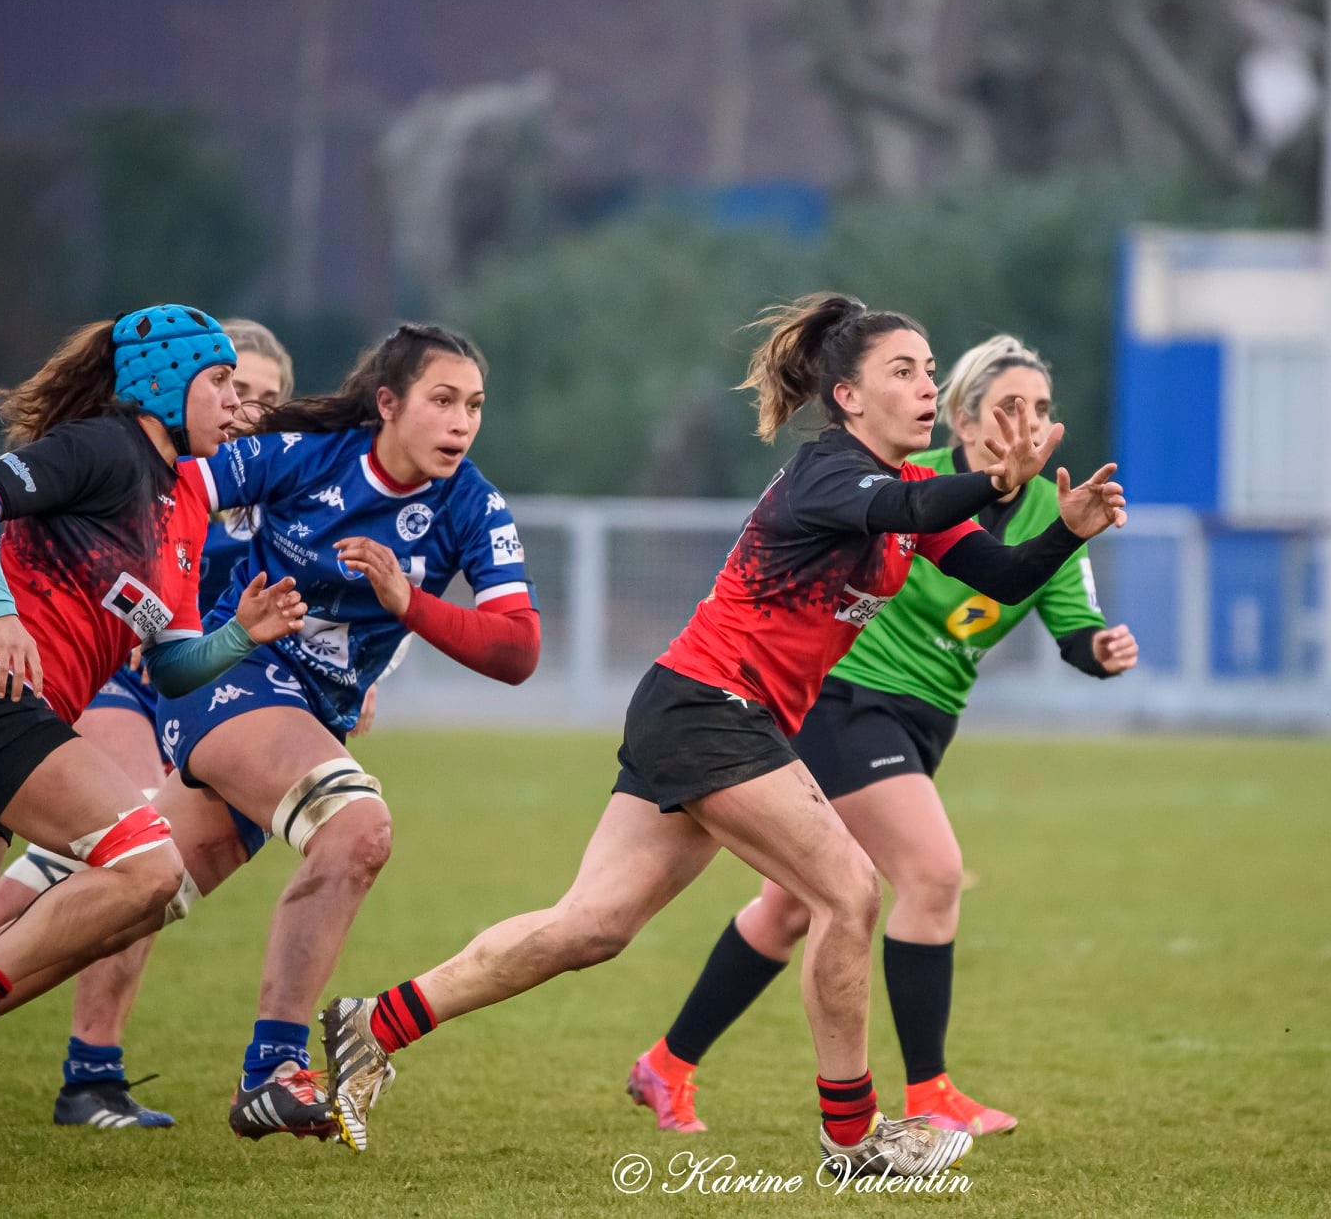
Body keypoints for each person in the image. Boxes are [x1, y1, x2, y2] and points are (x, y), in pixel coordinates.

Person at [320, 293, 1127, 1180]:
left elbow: (1002, 575)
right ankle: (853, 1141)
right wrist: (1000, 480)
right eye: (904, 370)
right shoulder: (830, 475)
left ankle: (375, 1023)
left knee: (592, 927)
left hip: (703, 714)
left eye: (930, 370)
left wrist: (1064, 529)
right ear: (849, 398)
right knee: (850, 891)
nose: (926, 385)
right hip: (710, 709)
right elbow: (911, 507)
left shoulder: (903, 499)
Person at [628, 334, 1141, 1138]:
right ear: (966, 419)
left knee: (793, 907)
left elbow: (1053, 605)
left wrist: (1098, 645)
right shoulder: (909, 476)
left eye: (1042, 409)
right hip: (848, 702)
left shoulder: (1046, 499)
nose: (1030, 422)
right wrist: (990, 483)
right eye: (1010, 407)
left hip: (925, 722)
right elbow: (909, 508)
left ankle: (667, 1063)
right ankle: (926, 1092)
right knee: (929, 875)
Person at [0, 305, 307, 1117]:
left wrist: (242, 633)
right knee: (149, 867)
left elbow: (171, 667)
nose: (234, 405)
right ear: (168, 385)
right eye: (219, 384)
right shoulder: (107, 446)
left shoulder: (183, 506)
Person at [143, 321, 539, 1142]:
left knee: (122, 890)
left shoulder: (471, 503)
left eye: (474, 406)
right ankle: (270, 1071)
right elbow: (176, 488)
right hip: (226, 675)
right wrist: (179, 618)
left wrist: (410, 605)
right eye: (442, 401)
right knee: (357, 825)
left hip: (304, 721)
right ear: (388, 404)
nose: (462, 422)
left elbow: (518, 650)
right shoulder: (306, 454)